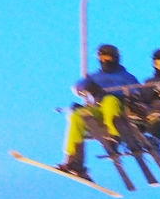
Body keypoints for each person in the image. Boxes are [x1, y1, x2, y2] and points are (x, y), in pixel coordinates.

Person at [56, 44, 139, 180]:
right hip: (99, 109)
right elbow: (77, 86)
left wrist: (125, 95)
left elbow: (137, 91)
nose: (106, 60)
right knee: (77, 115)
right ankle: (74, 160)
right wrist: (88, 86)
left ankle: (114, 137)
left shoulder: (125, 76)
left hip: (119, 109)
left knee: (110, 100)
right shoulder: (94, 76)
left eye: (109, 57)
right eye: (103, 57)